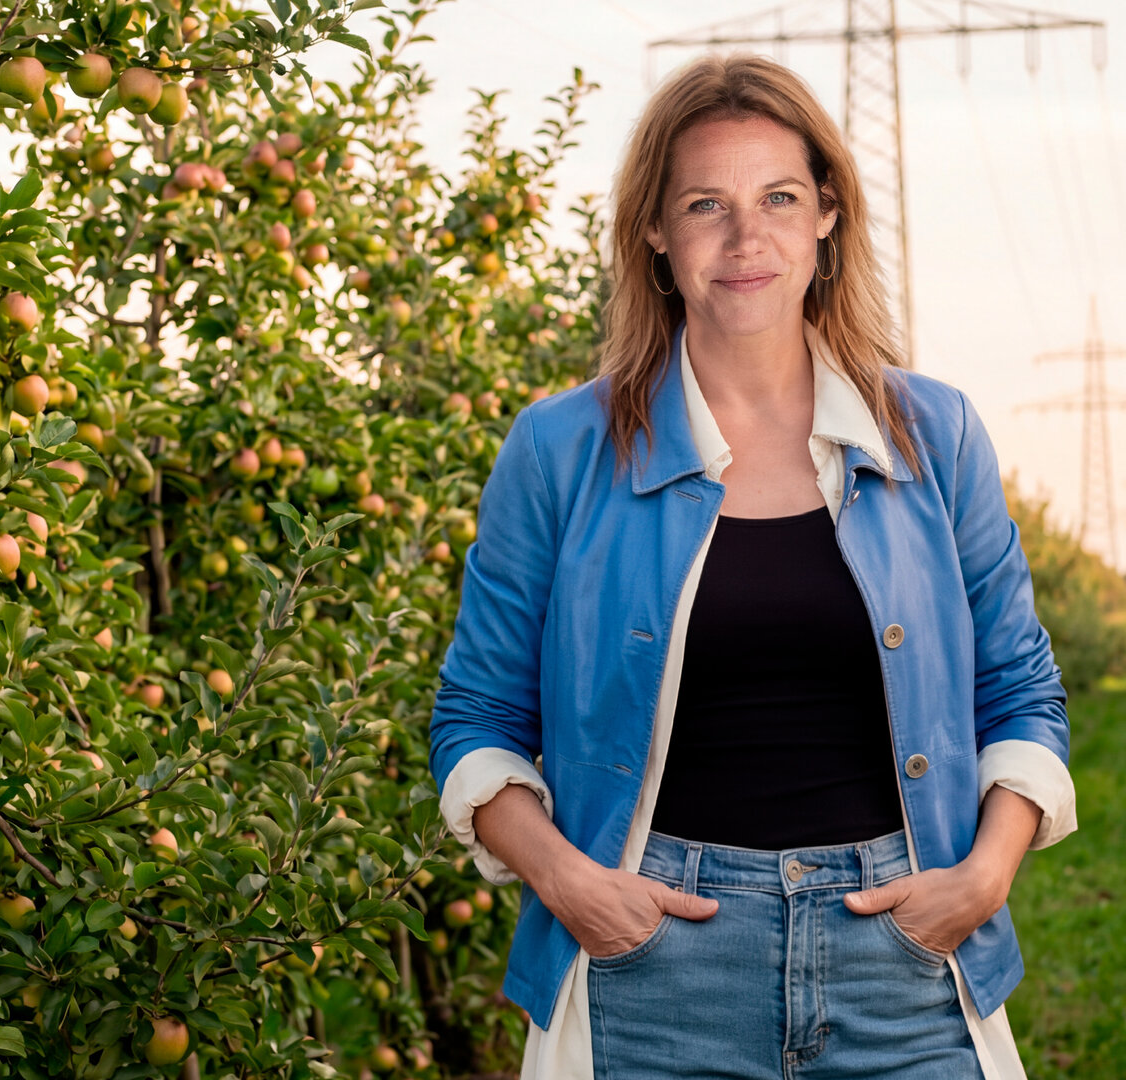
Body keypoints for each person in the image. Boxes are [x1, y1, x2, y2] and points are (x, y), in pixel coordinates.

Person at [428, 53, 1076, 1079]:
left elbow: (1021, 689)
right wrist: (571, 885)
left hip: (904, 963)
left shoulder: (933, 434)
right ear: (655, 229)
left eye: (778, 198)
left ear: (827, 214)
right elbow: (476, 715)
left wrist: (984, 876)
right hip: (651, 973)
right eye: (705, 205)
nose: (745, 240)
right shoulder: (559, 450)